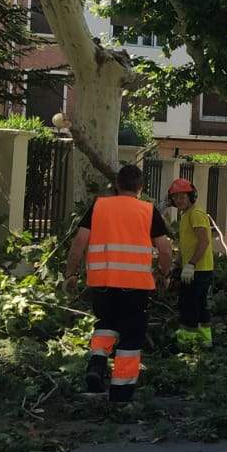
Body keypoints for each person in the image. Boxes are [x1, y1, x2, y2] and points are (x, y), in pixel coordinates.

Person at [64, 164, 174, 404]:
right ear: (141, 187)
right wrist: (164, 274)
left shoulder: (99, 206)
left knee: (106, 324)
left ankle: (96, 365)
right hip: (136, 286)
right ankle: (121, 394)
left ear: (116, 185)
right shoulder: (148, 210)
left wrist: (70, 274)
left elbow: (79, 243)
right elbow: (165, 249)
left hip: (102, 282)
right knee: (131, 337)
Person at [167, 178, 215, 349]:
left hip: (199, 269)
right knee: (200, 304)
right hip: (194, 268)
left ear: (191, 196)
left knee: (189, 304)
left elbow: (204, 241)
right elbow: (185, 244)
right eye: (176, 197)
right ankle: (204, 339)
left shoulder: (196, 214)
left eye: (182, 196)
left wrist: (191, 264)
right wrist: (177, 265)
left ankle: (187, 341)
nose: (179, 200)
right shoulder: (186, 214)